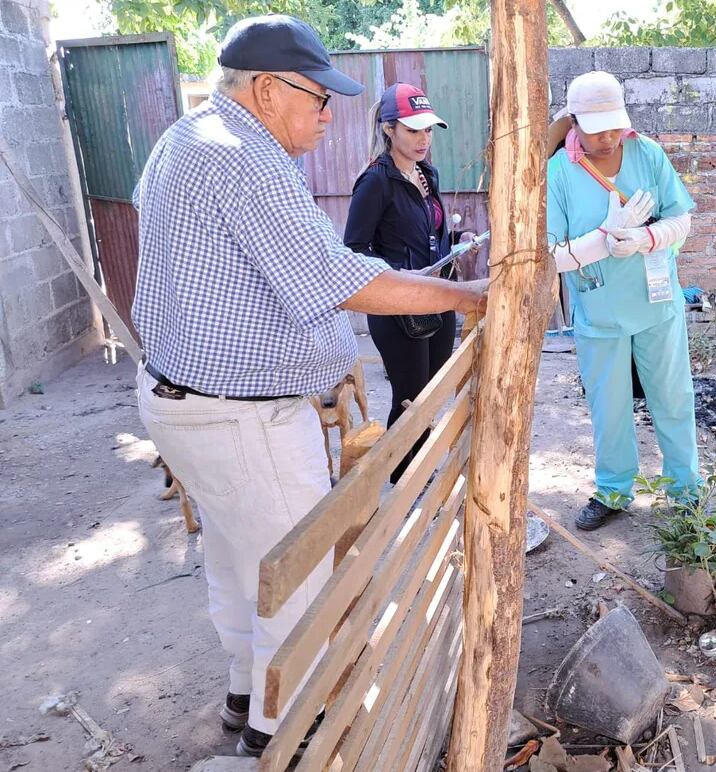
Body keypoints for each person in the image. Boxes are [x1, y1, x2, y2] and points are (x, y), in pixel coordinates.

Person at [130, 15, 486, 758]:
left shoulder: (188, 138)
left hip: (183, 402)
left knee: (239, 560)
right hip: (240, 417)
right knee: (299, 579)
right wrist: (464, 295)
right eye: (317, 99)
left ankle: (243, 694)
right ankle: (282, 736)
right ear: (265, 89)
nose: (329, 116)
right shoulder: (243, 158)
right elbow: (335, 276)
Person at [545, 70, 701, 531]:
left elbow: (682, 220)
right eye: (598, 129)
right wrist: (601, 242)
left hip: (657, 306)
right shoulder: (559, 172)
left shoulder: (647, 153)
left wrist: (646, 237)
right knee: (608, 407)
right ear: (574, 123)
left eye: (616, 125)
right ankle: (613, 489)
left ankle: (685, 489)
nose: (610, 137)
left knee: (673, 398)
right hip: (600, 313)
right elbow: (550, 256)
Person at [344, 83, 476, 482]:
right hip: (398, 308)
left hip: (435, 298)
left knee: (430, 394)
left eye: (429, 130)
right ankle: (405, 476)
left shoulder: (426, 173)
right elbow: (353, 251)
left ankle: (414, 470)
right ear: (389, 129)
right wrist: (399, 274)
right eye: (413, 130)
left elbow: (427, 237)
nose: (423, 139)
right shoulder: (375, 181)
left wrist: (457, 243)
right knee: (410, 397)